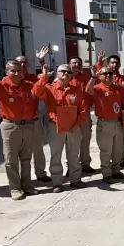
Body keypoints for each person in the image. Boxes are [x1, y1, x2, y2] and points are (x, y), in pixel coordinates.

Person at [0, 50, 40, 200]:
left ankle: (27, 185)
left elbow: (40, 88)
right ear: (7, 72)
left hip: (28, 125)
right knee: (11, 160)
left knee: (26, 159)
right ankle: (15, 188)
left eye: (19, 71)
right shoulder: (2, 87)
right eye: (13, 71)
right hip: (10, 126)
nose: (17, 73)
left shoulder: (28, 86)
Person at [32, 64, 89, 192]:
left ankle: (75, 179)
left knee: (74, 154)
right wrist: (44, 76)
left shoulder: (76, 90)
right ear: (57, 74)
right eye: (62, 71)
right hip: (55, 126)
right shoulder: (49, 88)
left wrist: (78, 123)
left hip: (73, 127)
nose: (66, 74)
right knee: (56, 155)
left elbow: (84, 108)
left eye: (68, 72)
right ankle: (57, 182)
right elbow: (35, 92)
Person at [88, 67, 124, 184]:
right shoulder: (98, 88)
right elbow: (88, 91)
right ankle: (106, 173)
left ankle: (116, 171)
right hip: (105, 123)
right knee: (106, 150)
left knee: (118, 149)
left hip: (117, 122)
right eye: (105, 74)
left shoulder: (117, 88)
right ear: (100, 76)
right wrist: (93, 77)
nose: (108, 75)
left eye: (110, 73)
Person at [17, 46, 52, 182]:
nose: (22, 65)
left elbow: (45, 77)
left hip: (34, 118)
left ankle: (41, 173)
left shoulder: (33, 78)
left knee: (38, 148)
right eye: (19, 62)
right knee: (19, 151)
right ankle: (22, 176)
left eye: (24, 62)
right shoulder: (7, 80)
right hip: (17, 121)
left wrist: (42, 61)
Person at [66, 57, 95, 174]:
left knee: (85, 138)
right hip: (69, 113)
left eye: (79, 63)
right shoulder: (65, 78)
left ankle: (85, 164)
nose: (76, 65)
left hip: (84, 113)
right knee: (70, 141)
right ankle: (71, 166)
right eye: (74, 63)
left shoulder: (86, 78)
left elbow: (92, 93)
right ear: (69, 64)